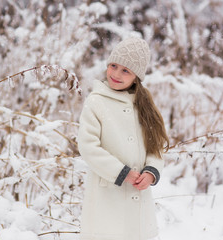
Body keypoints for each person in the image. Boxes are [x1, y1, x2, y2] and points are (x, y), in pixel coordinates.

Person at [77, 37, 169, 240]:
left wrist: (151, 172)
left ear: (137, 76)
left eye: (126, 70)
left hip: (138, 197)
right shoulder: (96, 102)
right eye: (113, 66)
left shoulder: (144, 106)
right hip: (107, 194)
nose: (116, 74)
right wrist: (122, 173)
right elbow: (88, 146)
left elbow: (155, 147)